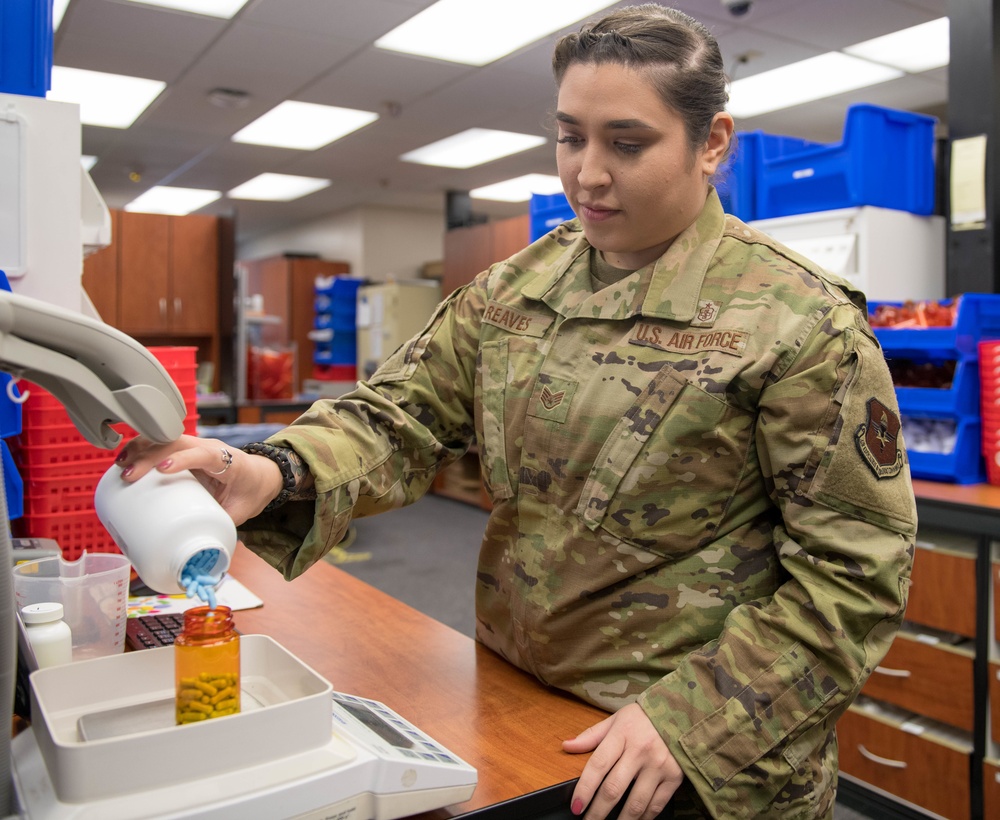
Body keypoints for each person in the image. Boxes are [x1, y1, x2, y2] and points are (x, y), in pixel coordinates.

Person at [118, 4, 916, 818]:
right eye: (572, 136)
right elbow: (401, 417)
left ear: (711, 143)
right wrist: (271, 468)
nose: (588, 173)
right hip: (522, 706)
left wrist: (692, 720)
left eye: (627, 144)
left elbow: (855, 574)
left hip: (692, 760)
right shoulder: (515, 291)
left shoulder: (797, 321)